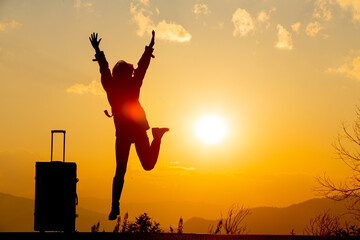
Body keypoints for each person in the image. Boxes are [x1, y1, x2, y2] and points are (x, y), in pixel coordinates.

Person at [89, 31, 169, 220]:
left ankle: (157, 136)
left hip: (133, 131)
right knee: (123, 170)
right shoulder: (127, 85)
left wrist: (98, 51)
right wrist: (148, 49)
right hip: (127, 134)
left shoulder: (115, 86)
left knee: (135, 168)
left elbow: (108, 69)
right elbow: (138, 68)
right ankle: (115, 205)